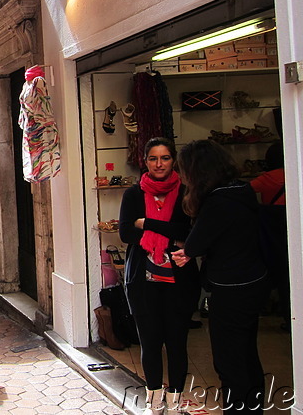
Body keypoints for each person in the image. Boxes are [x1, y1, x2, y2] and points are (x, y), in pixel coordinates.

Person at [172, 140, 269, 413]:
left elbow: (196, 243)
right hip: (254, 280)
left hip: (231, 287)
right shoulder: (241, 190)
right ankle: (253, 408)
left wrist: (186, 250)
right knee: (248, 354)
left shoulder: (217, 202)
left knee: (229, 361)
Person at [118, 138, 199, 415]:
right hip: (143, 281)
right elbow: (127, 234)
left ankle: (175, 403)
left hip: (180, 281)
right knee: (150, 342)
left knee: (177, 342)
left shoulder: (188, 192)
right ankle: (154, 402)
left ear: (173, 160)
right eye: (153, 158)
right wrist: (170, 232)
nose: (159, 164)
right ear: (146, 161)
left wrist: (148, 224)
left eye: (164, 158)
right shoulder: (133, 195)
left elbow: (189, 233)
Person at [250, 140, 288, 329]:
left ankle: (281, 310)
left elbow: (247, 190)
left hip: (272, 227)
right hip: (292, 223)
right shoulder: (293, 172)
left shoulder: (269, 177)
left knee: (278, 269)